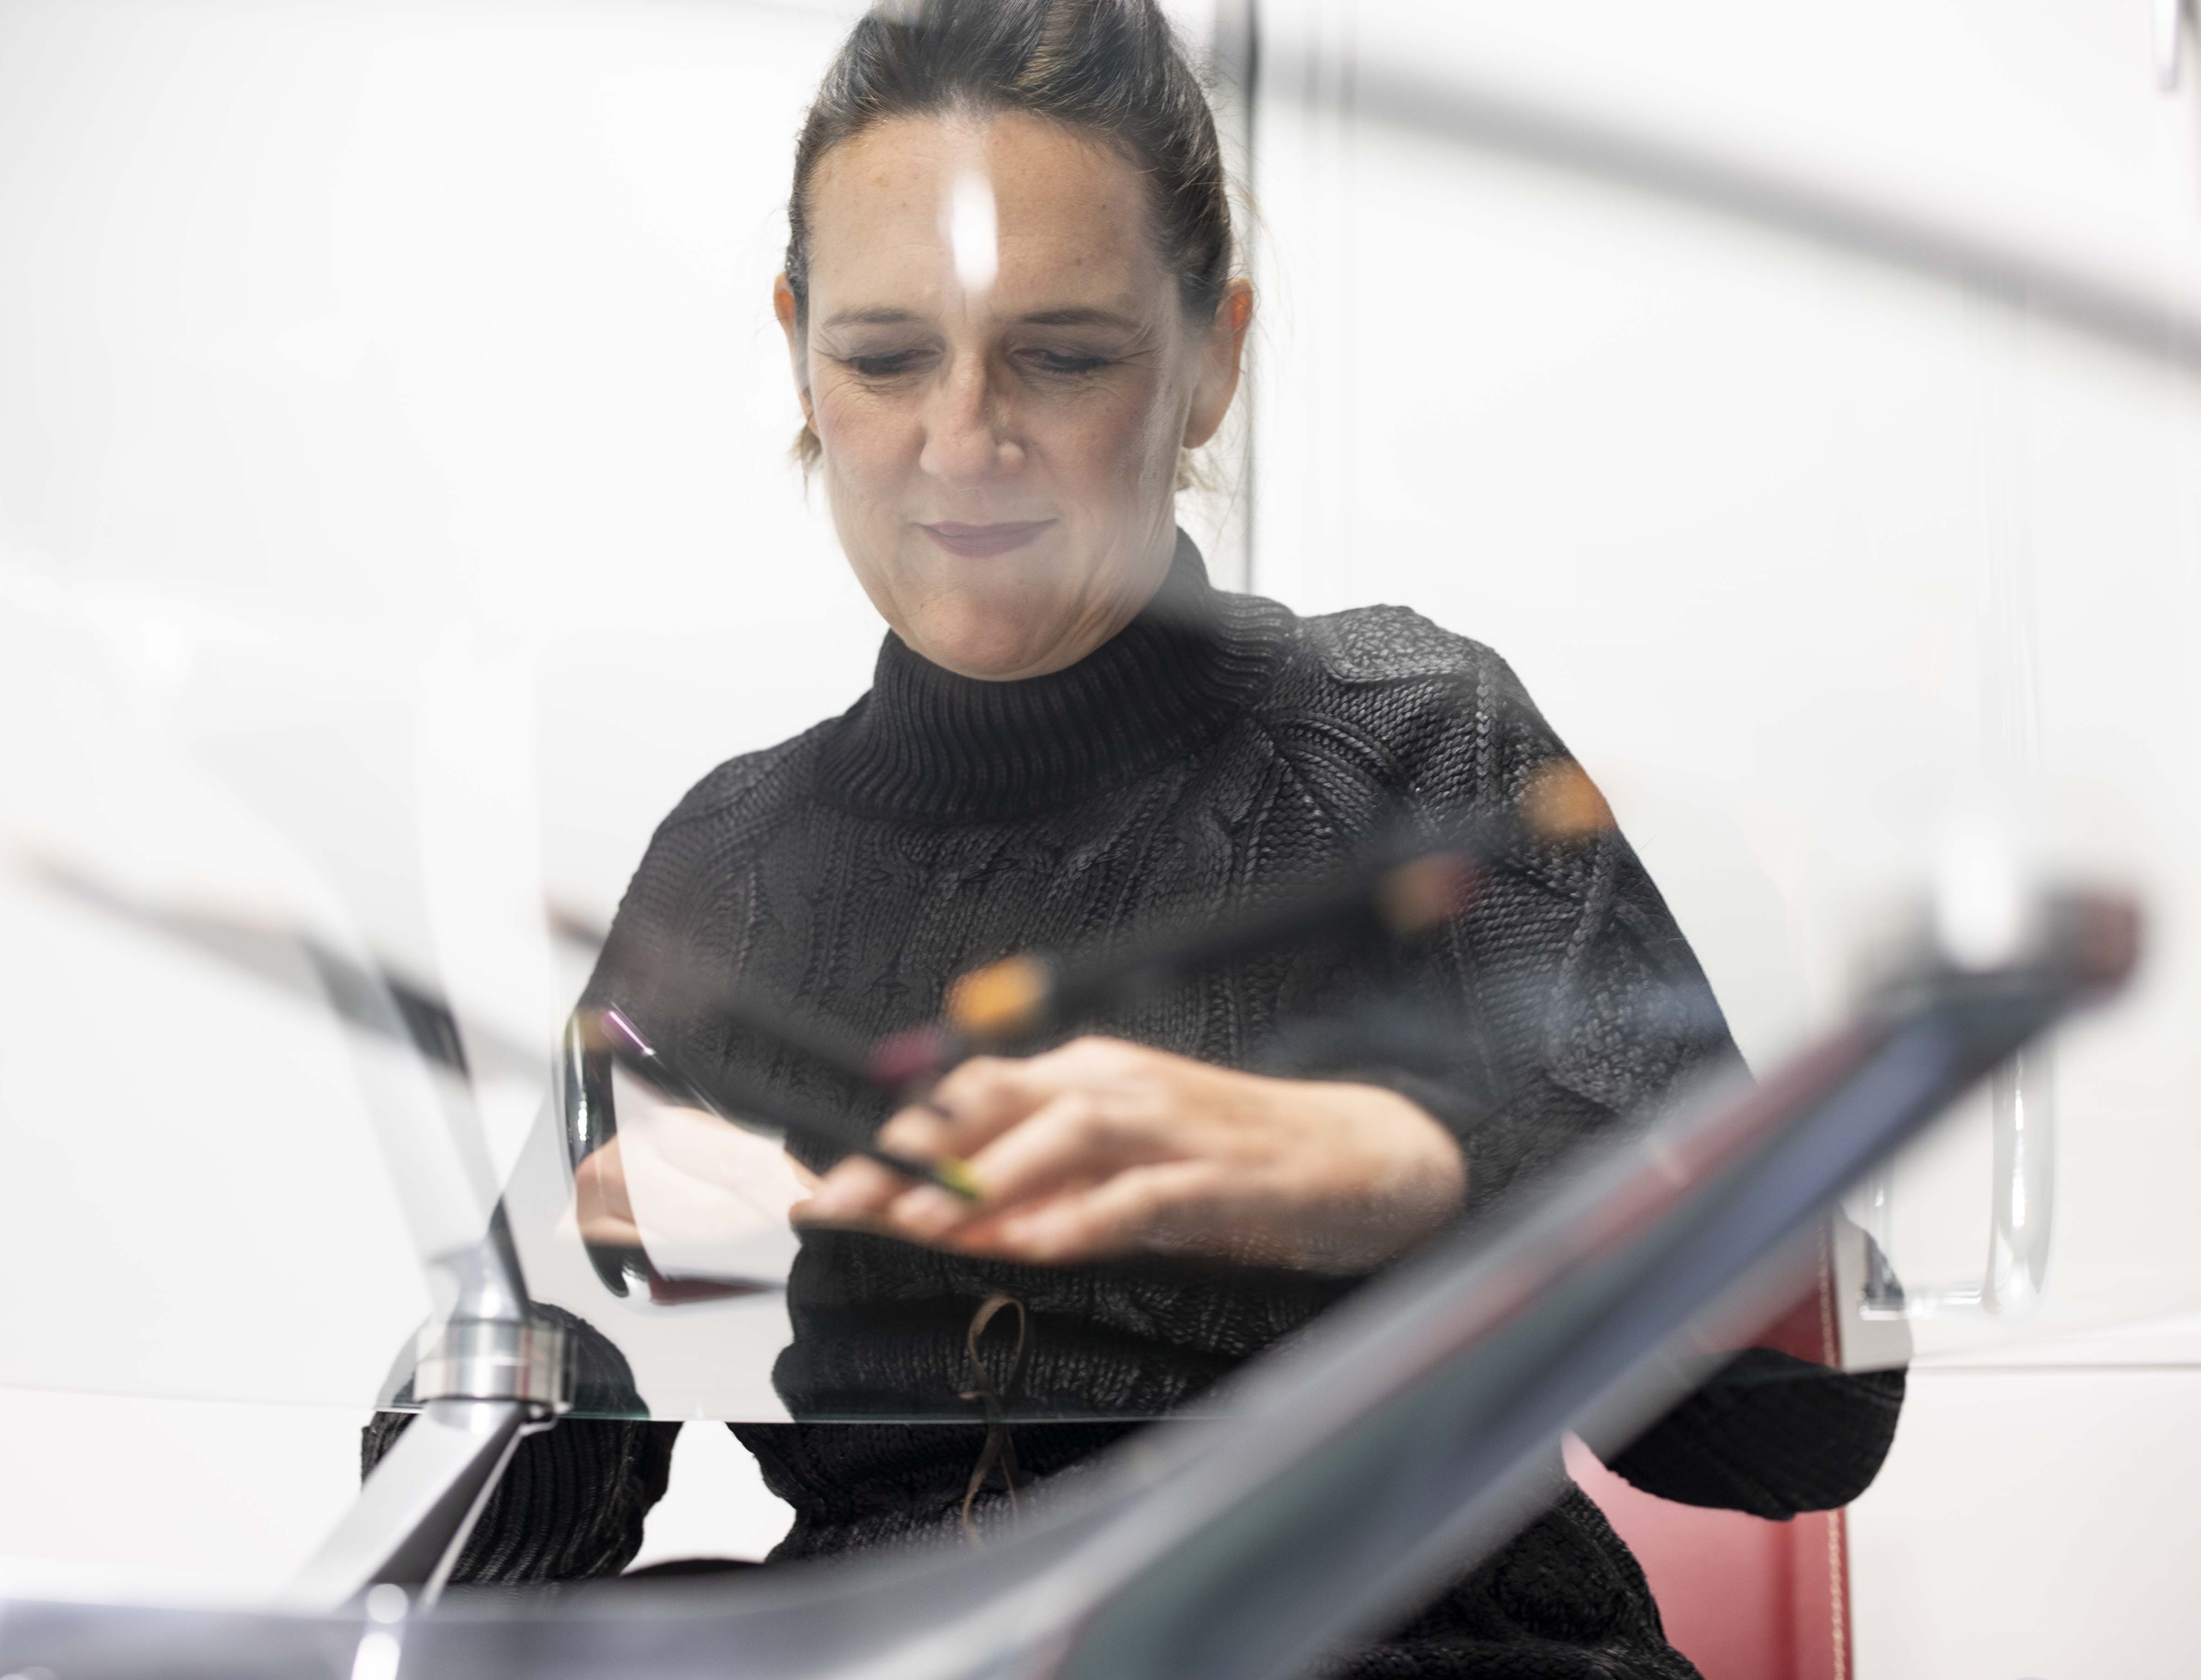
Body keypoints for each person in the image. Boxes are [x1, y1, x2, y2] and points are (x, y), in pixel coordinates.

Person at [366, 2, 1903, 1670]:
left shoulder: (1409, 749)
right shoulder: (735, 870)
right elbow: (466, 1562)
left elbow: (1803, 1430)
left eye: (1066, 353)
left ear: (1212, 356)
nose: (963, 442)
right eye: (886, 357)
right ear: (800, 345)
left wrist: (1422, 1187)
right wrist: (583, 1303)